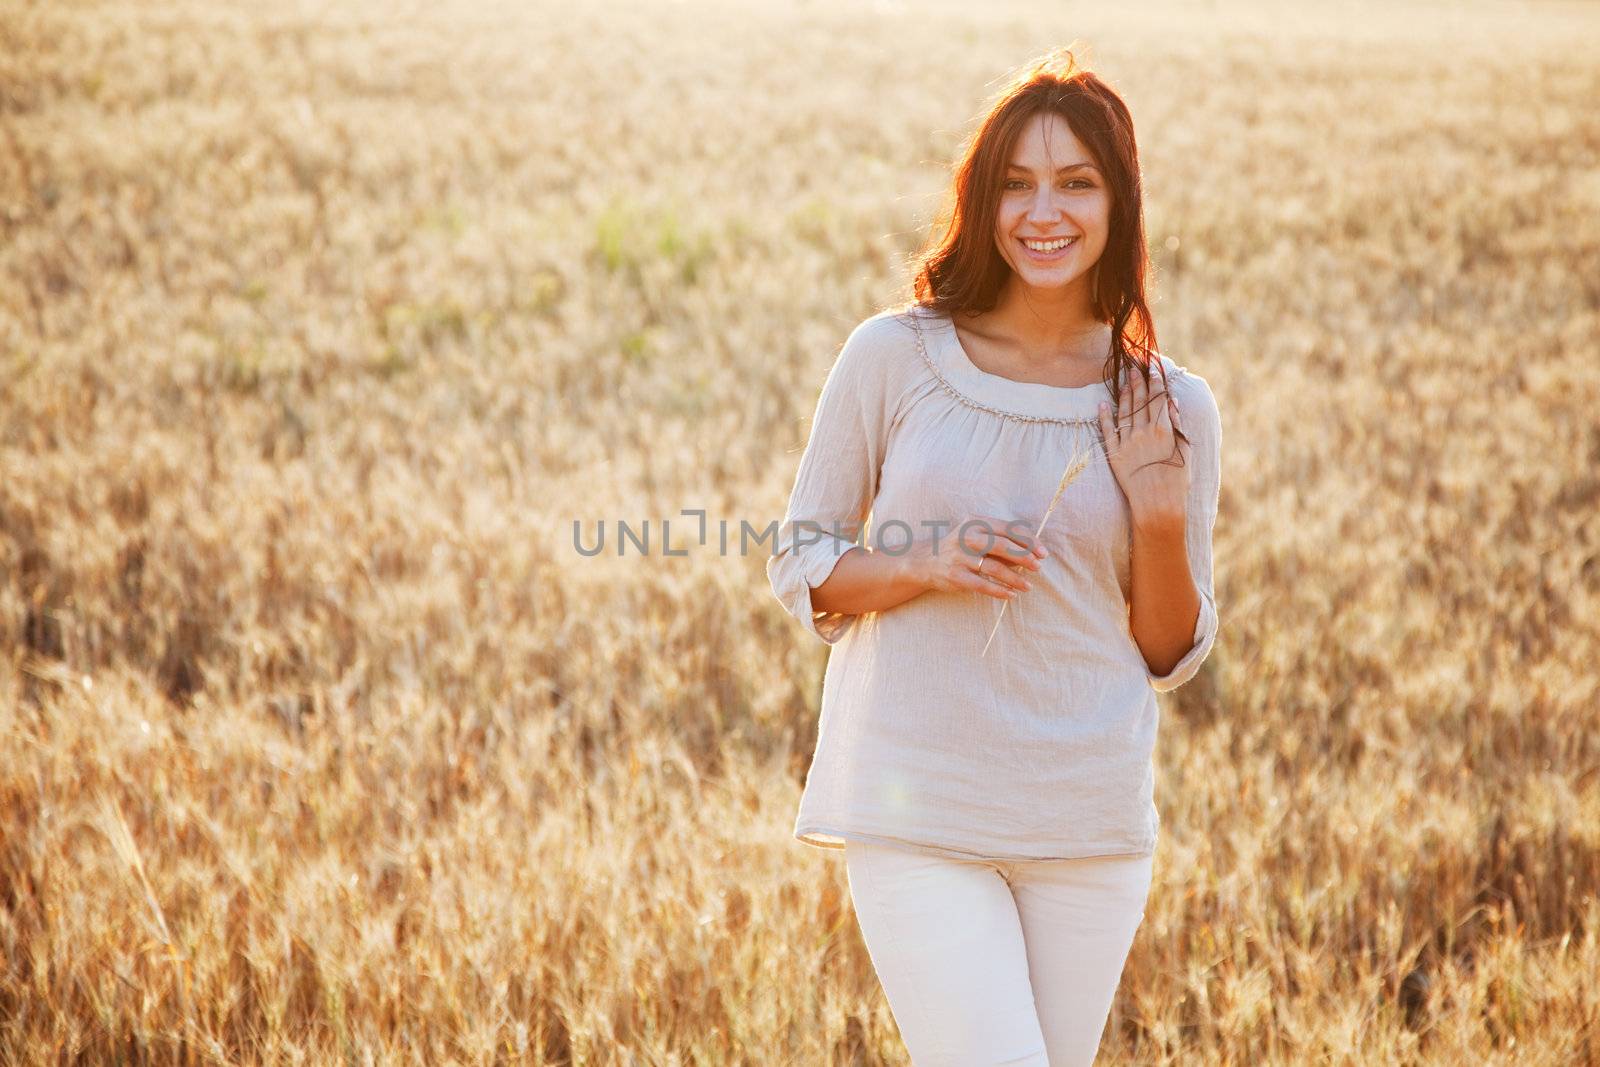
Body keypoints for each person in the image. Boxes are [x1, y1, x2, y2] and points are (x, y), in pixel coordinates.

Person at [766, 45, 1223, 1067]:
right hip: (920, 807)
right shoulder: (893, 355)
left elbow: (1167, 649)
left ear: (1118, 202)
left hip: (1088, 822)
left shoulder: (1171, 405)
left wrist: (1156, 516)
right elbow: (802, 559)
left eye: (1074, 183)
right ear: (982, 200)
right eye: (1015, 184)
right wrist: (923, 560)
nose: (1042, 212)